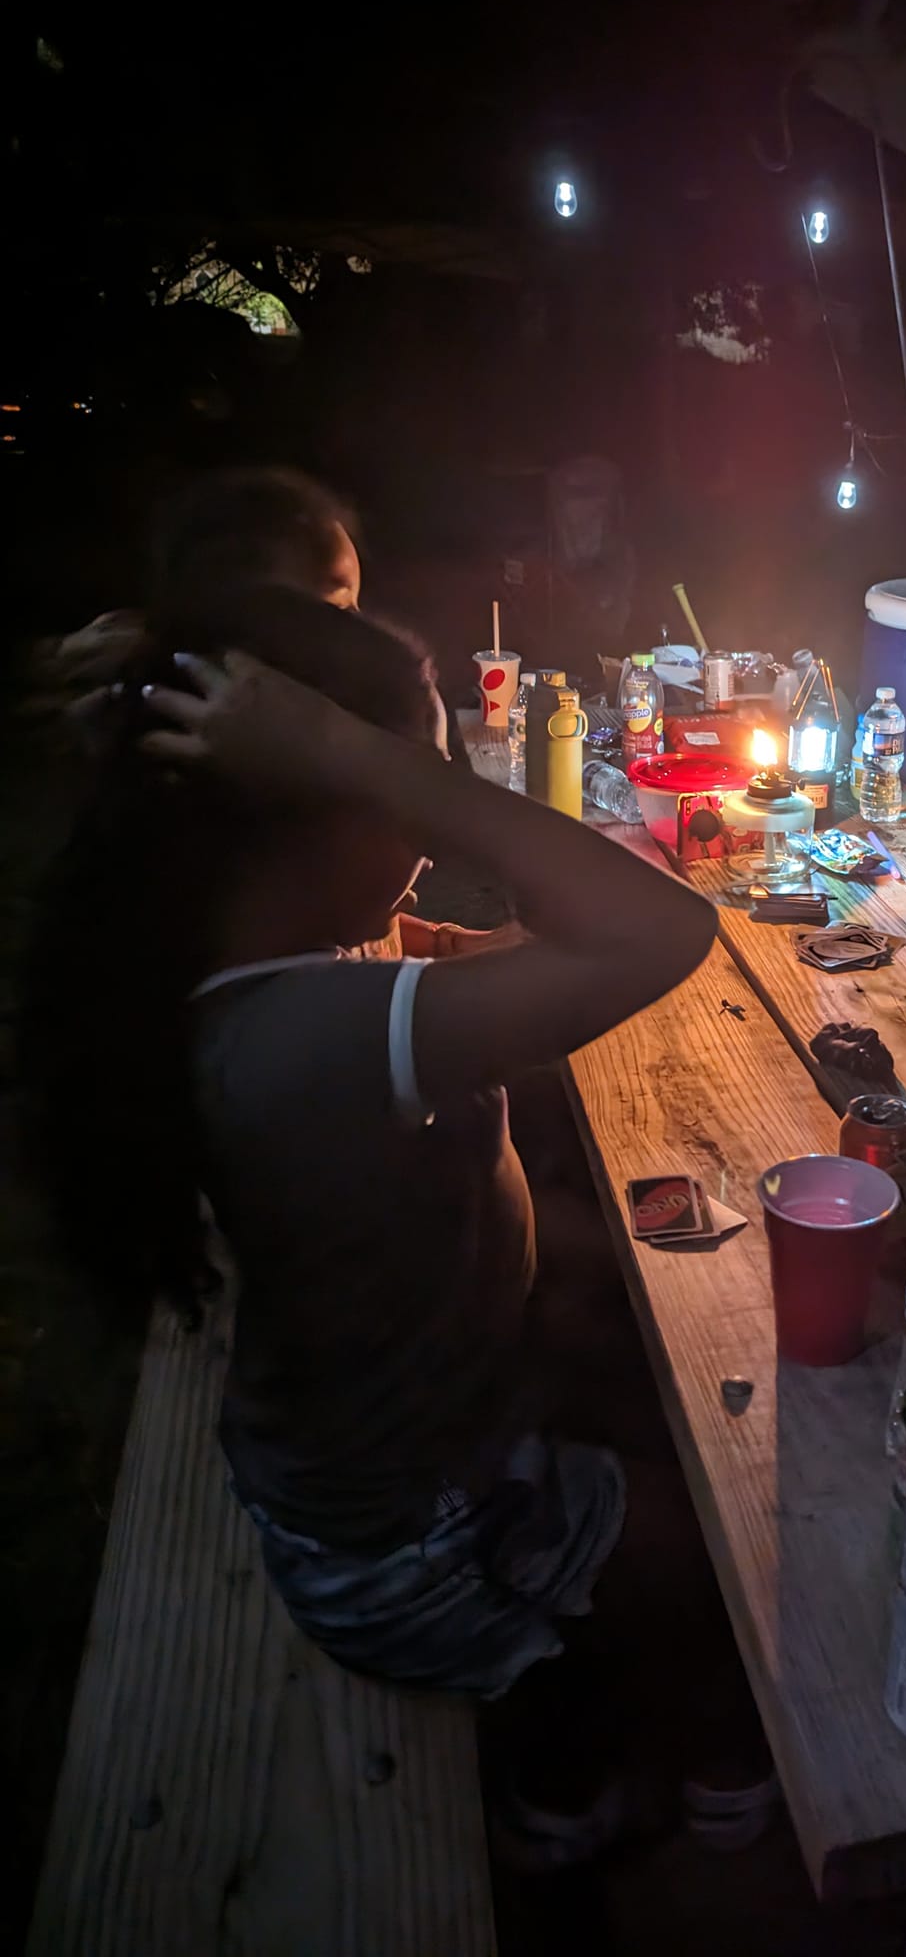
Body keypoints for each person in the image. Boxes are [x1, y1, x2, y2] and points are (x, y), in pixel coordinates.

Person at [19, 589, 762, 1849]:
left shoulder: (268, 961)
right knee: (721, 1555)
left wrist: (361, 772)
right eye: (400, 790)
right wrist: (355, 752)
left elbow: (521, 942)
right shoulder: (307, 1039)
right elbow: (658, 929)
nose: (426, 837)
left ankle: (572, 1702)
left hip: (396, 1411)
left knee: (660, 1316)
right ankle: (572, 1778)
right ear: (305, 809)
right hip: (409, 1546)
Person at [30, 466, 487, 959]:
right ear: (247, 611)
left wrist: (451, 943)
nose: (360, 630)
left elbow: (368, 936)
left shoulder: (294, 741)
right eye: (336, 606)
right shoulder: (245, 779)